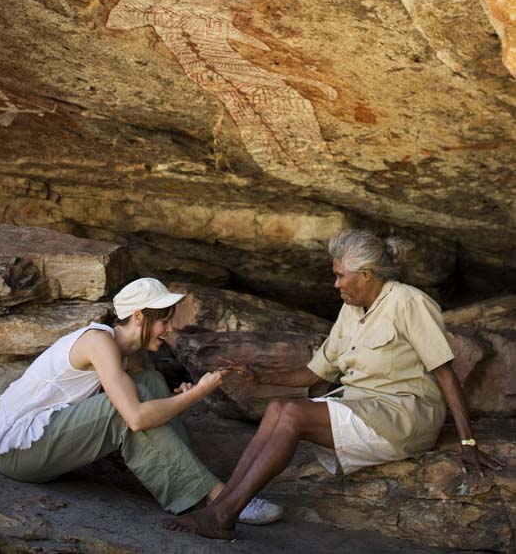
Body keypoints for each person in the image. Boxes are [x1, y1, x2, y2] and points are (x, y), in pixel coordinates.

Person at [165, 229, 505, 540]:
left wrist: (467, 440)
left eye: (341, 276)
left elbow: (446, 373)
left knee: (293, 415)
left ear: (366, 274)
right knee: (278, 407)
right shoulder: (351, 310)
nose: (336, 284)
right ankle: (220, 510)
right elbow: (316, 374)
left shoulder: (408, 302)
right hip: (362, 408)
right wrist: (259, 376)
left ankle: (222, 515)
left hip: (402, 417)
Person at [0, 277, 282, 524]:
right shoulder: (98, 342)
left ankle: (193, 480)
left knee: (150, 382)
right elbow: (136, 417)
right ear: (138, 316)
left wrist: (178, 397)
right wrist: (197, 393)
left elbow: (146, 403)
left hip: (49, 442)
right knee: (124, 410)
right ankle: (224, 498)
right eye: (164, 321)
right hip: (20, 452)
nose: (168, 330)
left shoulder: (128, 354)